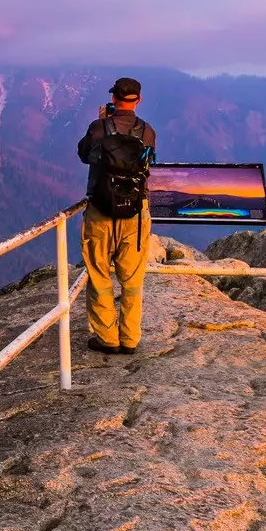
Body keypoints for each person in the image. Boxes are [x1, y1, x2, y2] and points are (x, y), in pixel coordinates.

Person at [76, 76, 156, 355]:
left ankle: (107, 337)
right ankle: (130, 337)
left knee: (99, 274)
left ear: (113, 98)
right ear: (138, 99)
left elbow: (84, 155)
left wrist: (99, 122)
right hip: (134, 213)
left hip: (99, 211)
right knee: (132, 279)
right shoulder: (147, 132)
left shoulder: (98, 128)